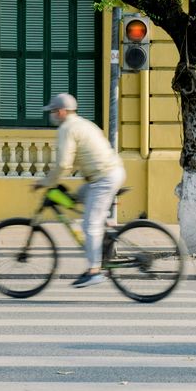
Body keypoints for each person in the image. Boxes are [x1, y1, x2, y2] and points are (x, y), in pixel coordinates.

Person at [37, 92, 126, 288]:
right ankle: (106, 229)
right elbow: (82, 156)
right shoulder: (84, 124)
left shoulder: (67, 129)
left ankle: (94, 270)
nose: (51, 115)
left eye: (52, 111)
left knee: (89, 225)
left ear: (61, 111)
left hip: (104, 178)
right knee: (77, 198)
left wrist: (45, 182)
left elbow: (63, 164)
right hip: (108, 174)